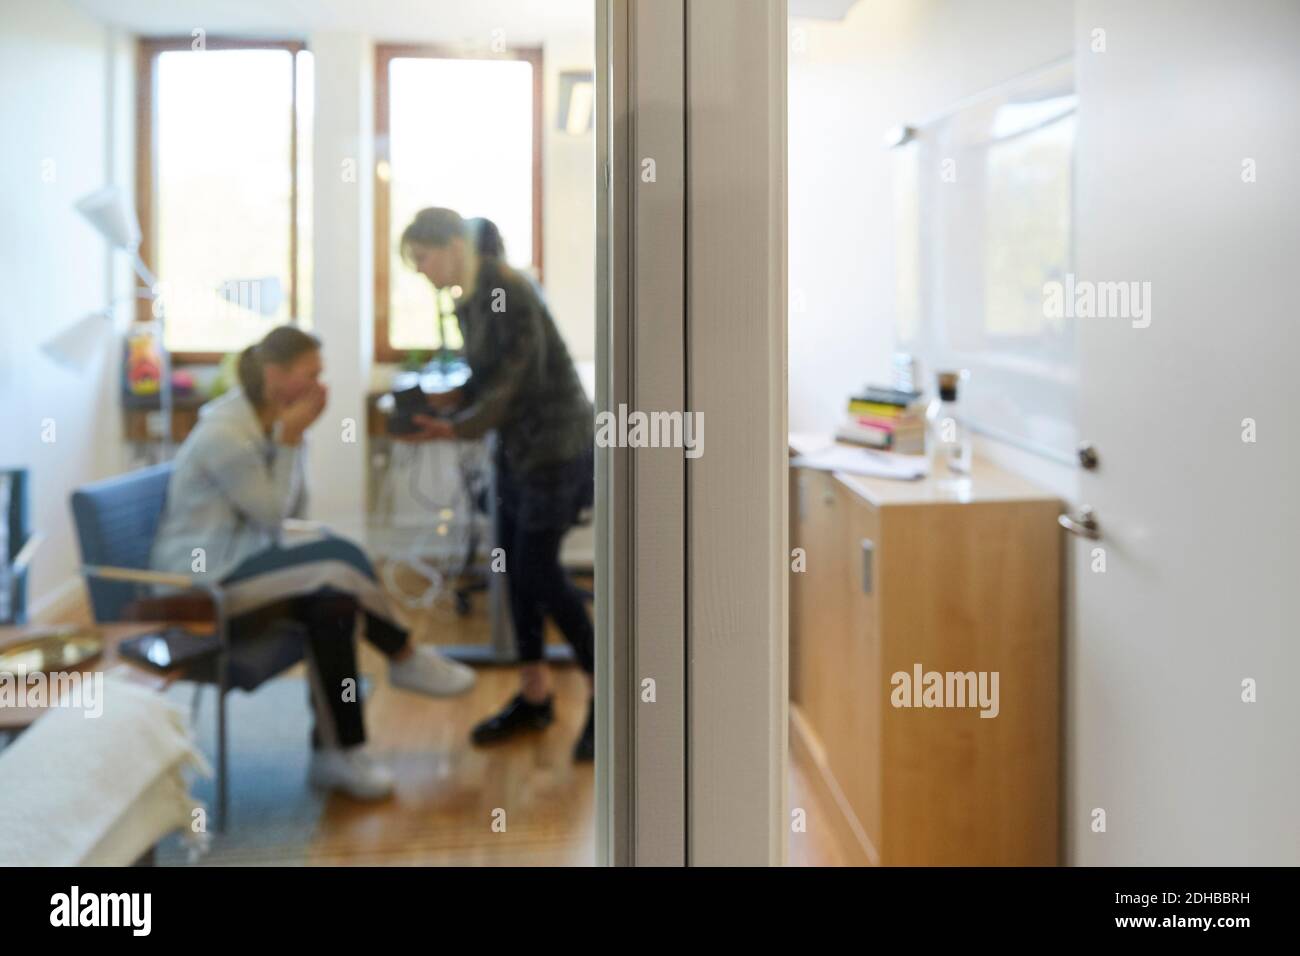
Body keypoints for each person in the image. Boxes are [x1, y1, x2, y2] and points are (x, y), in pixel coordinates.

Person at [149, 325, 476, 800]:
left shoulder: (264, 423)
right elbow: (272, 513)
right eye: (312, 374)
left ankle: (336, 755)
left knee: (335, 603)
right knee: (339, 559)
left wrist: (292, 440)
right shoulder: (226, 434)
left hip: (241, 564)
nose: (321, 387)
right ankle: (403, 654)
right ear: (276, 375)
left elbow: (290, 513)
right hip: (198, 588)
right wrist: (290, 440)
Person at [398, 207, 596, 761]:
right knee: (511, 568)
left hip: (556, 448)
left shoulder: (510, 289)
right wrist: (449, 401)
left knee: (536, 567)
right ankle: (535, 694)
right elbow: (486, 379)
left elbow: (516, 382)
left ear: (453, 246)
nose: (421, 271)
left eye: (422, 258)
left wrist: (455, 426)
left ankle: (606, 689)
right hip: (516, 450)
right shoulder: (470, 299)